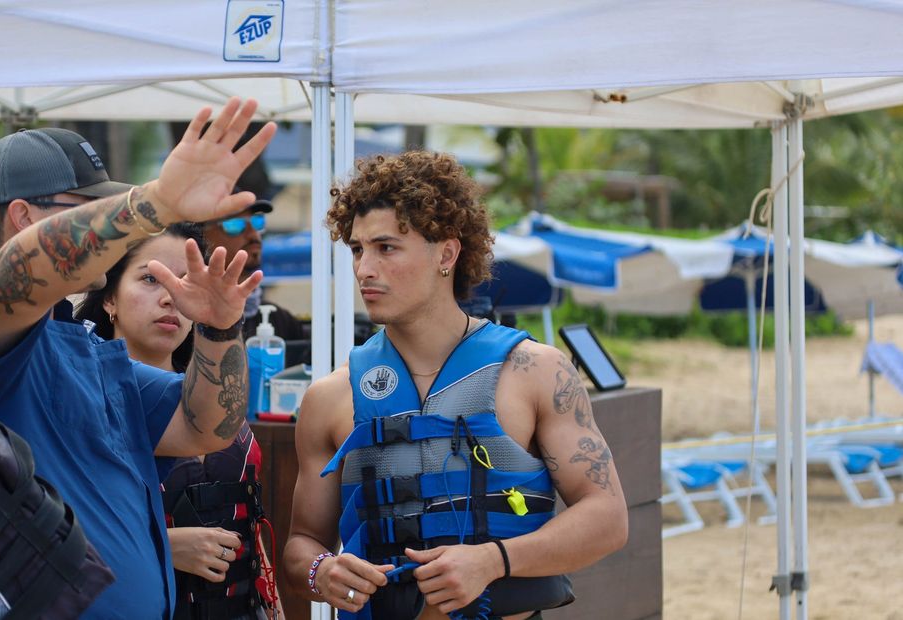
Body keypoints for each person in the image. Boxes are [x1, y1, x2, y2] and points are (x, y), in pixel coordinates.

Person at [0, 98, 276, 618]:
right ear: (23, 219)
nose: (120, 227)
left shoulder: (89, 349)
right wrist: (157, 201)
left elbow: (207, 428)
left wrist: (219, 327)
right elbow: (18, 269)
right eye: (88, 205)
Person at [283, 151, 628, 620]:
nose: (364, 268)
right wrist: (321, 571)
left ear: (446, 253)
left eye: (386, 248)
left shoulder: (535, 372)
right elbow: (302, 543)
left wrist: (494, 560)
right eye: (358, 250)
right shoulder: (330, 397)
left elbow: (607, 518)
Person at [74, 225, 283, 620]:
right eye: (151, 279)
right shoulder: (84, 400)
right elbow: (48, 536)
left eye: (186, 281)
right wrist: (162, 546)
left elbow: (250, 530)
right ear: (109, 298)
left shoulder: (220, 402)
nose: (171, 297)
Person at [201, 191, 307, 359]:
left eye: (258, 222)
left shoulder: (280, 320)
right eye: (235, 225)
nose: (253, 234)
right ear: (200, 235)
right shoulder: (185, 316)